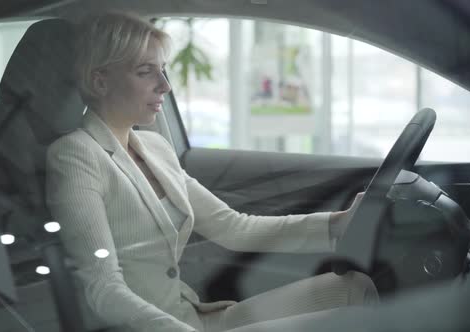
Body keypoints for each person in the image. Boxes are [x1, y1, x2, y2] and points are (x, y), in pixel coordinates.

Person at [45, 12, 377, 332]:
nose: (165, 85)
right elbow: (103, 288)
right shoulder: (75, 155)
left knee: (353, 288)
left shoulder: (154, 146)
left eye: (163, 70)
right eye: (146, 71)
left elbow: (234, 228)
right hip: (161, 328)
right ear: (100, 81)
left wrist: (337, 223)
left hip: (195, 318)